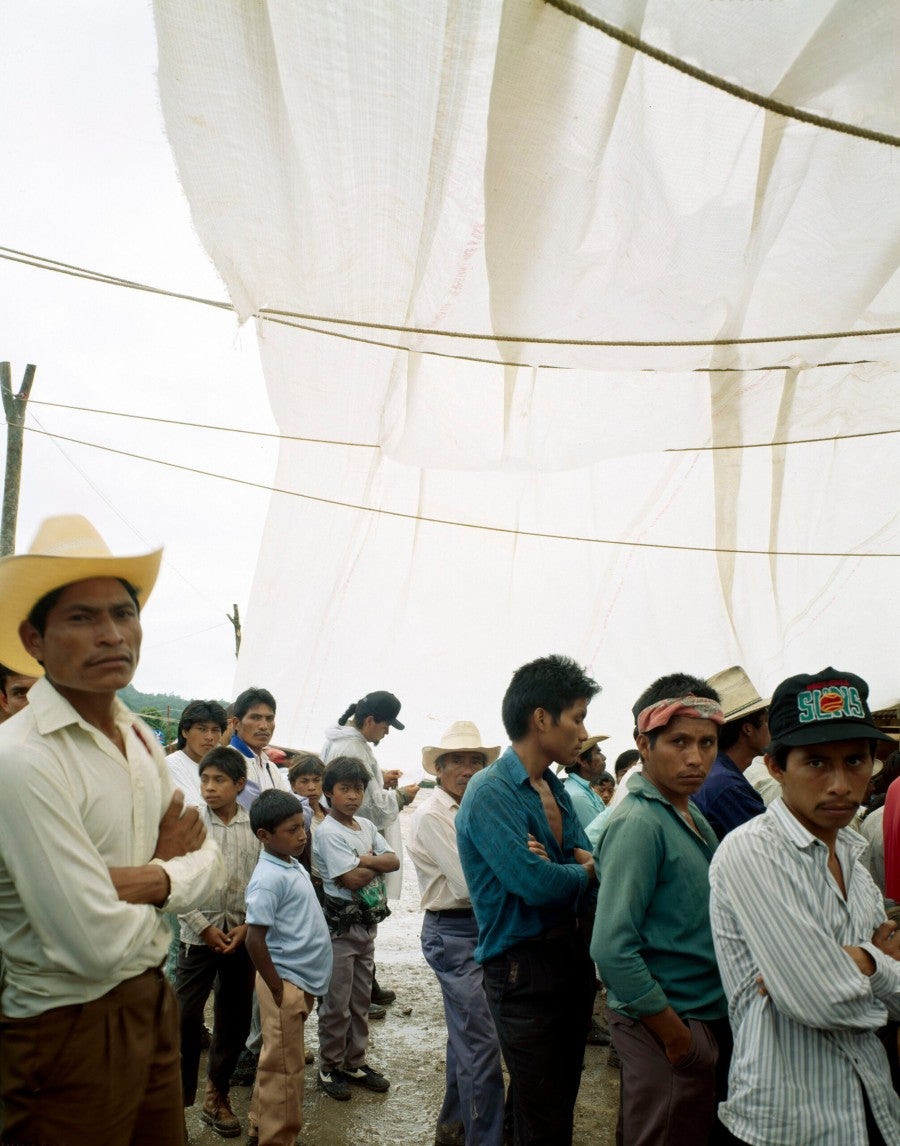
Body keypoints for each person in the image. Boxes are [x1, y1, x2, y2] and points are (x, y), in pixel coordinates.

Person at [0, 514, 223, 1145]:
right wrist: (168, 877)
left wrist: (142, 878)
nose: (111, 634)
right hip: (61, 1026)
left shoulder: (133, 737)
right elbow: (90, 943)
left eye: (123, 613)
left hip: (149, 1002)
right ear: (33, 639)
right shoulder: (21, 757)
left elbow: (213, 861)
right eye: (81, 618)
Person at [709, 667, 900, 1144]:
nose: (840, 783)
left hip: (871, 1105)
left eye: (855, 760)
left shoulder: (852, 858)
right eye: (816, 763)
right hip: (788, 1120)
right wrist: (878, 964)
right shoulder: (754, 850)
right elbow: (817, 997)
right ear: (776, 766)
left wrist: (856, 963)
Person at [456, 654, 599, 1145]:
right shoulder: (491, 791)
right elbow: (536, 884)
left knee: (548, 1101)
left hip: (569, 957)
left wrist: (567, 867)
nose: (582, 732)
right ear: (542, 718)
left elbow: (588, 858)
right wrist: (578, 869)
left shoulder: (553, 786)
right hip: (522, 967)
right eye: (577, 717)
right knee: (547, 1115)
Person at [590, 672, 729, 1146]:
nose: (695, 757)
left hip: (692, 1015)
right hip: (665, 1023)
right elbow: (611, 948)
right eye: (678, 741)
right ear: (643, 745)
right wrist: (674, 1036)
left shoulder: (685, 811)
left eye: (707, 742)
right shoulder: (640, 823)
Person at [407, 721, 505, 1146]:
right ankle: (484, 1139)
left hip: (475, 930)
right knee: (481, 1044)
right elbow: (470, 885)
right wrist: (516, 862)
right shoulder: (433, 814)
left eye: (475, 761)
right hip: (453, 932)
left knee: (469, 1037)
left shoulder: (474, 809)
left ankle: (453, 1126)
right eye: (458, 762)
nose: (467, 769)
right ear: (440, 769)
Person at [175, 746, 260, 1138]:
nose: (209, 787)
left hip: (242, 936)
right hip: (197, 936)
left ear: (239, 785)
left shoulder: (255, 826)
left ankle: (217, 1096)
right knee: (184, 1017)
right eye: (205, 779)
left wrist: (248, 925)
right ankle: (176, 1102)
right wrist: (203, 926)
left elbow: (264, 882)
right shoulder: (190, 824)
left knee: (234, 1018)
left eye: (219, 780)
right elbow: (176, 882)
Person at [245, 790, 333, 1146]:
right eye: (292, 829)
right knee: (286, 1070)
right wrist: (278, 988)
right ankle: (278, 1138)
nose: (302, 835)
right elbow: (254, 939)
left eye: (303, 826)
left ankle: (259, 1125)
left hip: (298, 980)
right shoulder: (268, 878)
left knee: (276, 1061)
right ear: (265, 836)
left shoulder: (289, 862)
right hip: (285, 981)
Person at [322, 689, 418, 1005]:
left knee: (359, 918)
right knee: (354, 912)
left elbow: (361, 788)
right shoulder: (352, 747)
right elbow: (370, 808)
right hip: (350, 839)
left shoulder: (346, 742)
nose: (387, 732)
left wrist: (379, 777)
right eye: (386, 725)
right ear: (370, 720)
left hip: (353, 836)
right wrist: (401, 796)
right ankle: (354, 997)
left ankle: (364, 987)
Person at [313, 756, 399, 1101]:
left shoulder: (364, 826)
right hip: (340, 928)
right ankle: (329, 1065)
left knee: (361, 998)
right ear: (329, 792)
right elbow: (349, 879)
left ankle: (355, 1061)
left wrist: (364, 861)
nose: (352, 795)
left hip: (366, 927)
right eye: (345, 789)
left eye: (358, 788)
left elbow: (392, 861)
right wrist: (372, 864)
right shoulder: (328, 832)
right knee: (336, 1002)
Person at [693, 665, 768, 839]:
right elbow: (771, 848)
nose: (770, 728)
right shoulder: (726, 786)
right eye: (765, 721)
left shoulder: (717, 773)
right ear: (748, 729)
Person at [230, 686, 292, 807]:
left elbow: (294, 807)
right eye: (255, 718)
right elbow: (258, 814)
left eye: (269, 718)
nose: (264, 726)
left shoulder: (271, 767)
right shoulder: (227, 762)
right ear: (236, 723)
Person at [167, 698, 229, 807]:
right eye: (202, 729)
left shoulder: (223, 768)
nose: (209, 737)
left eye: (215, 730)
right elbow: (193, 811)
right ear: (185, 732)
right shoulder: (172, 765)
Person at [560, 733, 610, 831]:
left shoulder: (584, 789)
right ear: (582, 761)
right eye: (598, 752)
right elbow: (598, 837)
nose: (604, 757)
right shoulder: (578, 796)